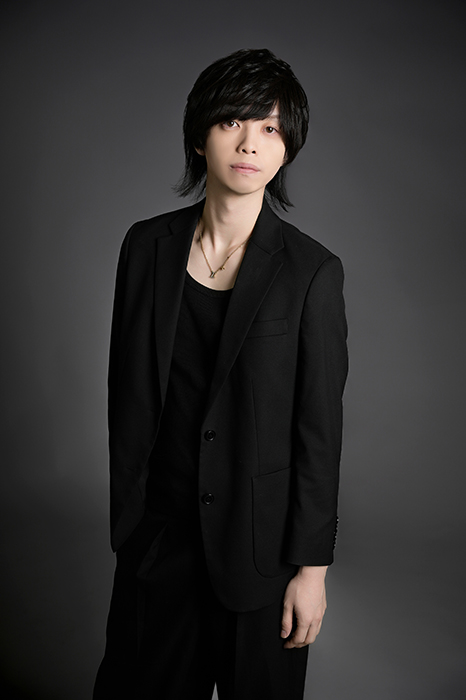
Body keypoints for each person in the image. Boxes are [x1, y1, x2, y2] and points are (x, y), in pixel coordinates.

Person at [93, 48, 348, 700]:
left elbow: (319, 432)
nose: (250, 143)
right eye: (233, 121)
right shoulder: (145, 248)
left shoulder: (312, 272)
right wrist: (131, 528)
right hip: (158, 547)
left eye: (270, 127)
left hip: (261, 560)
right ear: (199, 134)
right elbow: (127, 390)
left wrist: (311, 571)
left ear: (288, 147)